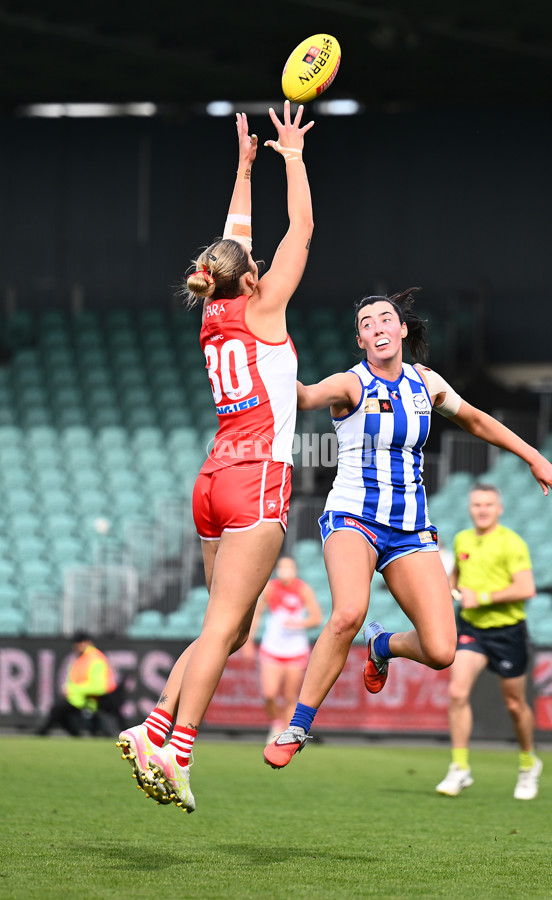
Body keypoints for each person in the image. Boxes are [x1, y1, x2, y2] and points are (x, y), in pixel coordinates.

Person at [263, 290, 552, 769]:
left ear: (403, 330)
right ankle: (298, 726)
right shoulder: (350, 385)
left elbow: (476, 420)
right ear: (360, 338)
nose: (379, 326)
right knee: (347, 612)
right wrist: (271, 354)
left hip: (410, 530)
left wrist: (535, 457)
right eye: (368, 322)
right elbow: (303, 396)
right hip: (353, 517)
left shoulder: (426, 383)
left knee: (442, 650)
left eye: (387, 318)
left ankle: (382, 645)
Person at [117, 101, 314, 813]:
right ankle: (176, 752)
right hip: (256, 478)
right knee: (226, 628)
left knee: (222, 632)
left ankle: (155, 726)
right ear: (248, 278)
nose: (259, 260)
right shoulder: (266, 308)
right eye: (254, 263)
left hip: (211, 478)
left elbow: (237, 239)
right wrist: (289, 156)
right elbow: (302, 230)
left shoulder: (214, 310)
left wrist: (241, 167)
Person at [435, 483, 541, 800]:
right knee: (456, 692)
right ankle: (459, 768)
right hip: (472, 629)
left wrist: (480, 597)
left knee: (514, 704)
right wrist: (447, 589)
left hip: (508, 631)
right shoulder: (463, 539)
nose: (482, 510)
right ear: (470, 508)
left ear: (499, 509)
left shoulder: (512, 543)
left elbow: (526, 588)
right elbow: (454, 582)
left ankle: (527, 764)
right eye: (477, 504)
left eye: (488, 505)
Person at [243, 556, 322, 742]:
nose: (285, 571)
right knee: (269, 693)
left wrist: (298, 623)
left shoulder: (303, 589)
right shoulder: (271, 588)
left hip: (295, 650)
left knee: (290, 696)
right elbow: (257, 615)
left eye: (289, 567)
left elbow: (316, 618)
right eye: (282, 567)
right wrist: (248, 642)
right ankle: (276, 723)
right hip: (272, 648)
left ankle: (288, 736)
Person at [37, 630, 120, 736]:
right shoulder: (82, 658)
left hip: (95, 700)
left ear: (86, 643)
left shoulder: (95, 659)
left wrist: (73, 690)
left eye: (78, 643)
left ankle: (43, 732)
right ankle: (75, 734)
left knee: (58, 709)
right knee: (59, 710)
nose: (75, 647)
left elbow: (100, 687)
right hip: (81, 699)